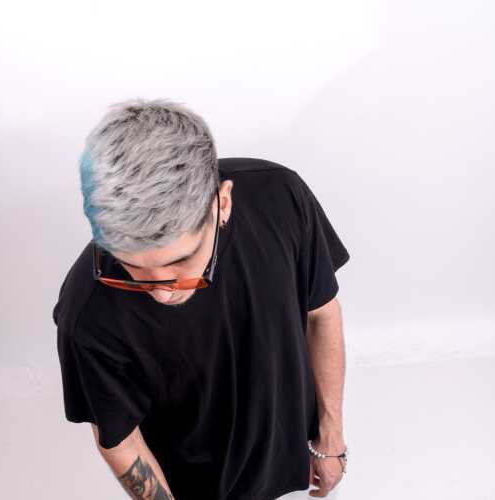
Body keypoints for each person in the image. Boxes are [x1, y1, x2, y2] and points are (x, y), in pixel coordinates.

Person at [53, 98, 350, 500]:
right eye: (132, 267)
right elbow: (121, 440)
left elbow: (322, 314)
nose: (162, 291)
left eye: (179, 262)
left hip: (298, 455)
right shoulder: (86, 314)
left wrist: (330, 440)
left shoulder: (281, 196)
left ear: (222, 203)